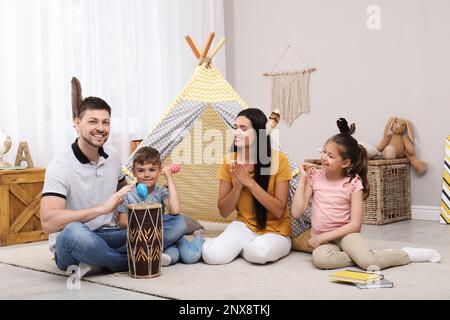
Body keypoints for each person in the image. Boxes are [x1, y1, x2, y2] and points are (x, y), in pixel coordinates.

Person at [291, 118, 441, 270]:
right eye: (324, 151)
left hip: (346, 235)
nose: (323, 157)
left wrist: (322, 237)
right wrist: (303, 179)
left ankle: (406, 255)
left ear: (345, 163)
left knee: (369, 263)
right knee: (321, 259)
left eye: (330, 155)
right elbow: (297, 212)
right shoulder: (314, 177)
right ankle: (364, 256)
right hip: (324, 238)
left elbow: (355, 225)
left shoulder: (353, 183)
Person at [40, 96, 134, 277]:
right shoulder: (60, 165)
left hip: (110, 234)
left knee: (171, 223)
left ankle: (98, 262)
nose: (100, 128)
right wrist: (100, 209)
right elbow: (48, 222)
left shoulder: (112, 155)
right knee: (74, 232)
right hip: (75, 241)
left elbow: (125, 189)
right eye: (93, 121)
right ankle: (130, 261)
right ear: (77, 123)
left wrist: (148, 188)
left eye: (105, 122)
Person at [202, 108, 292, 265]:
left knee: (259, 253)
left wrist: (249, 183)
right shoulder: (229, 161)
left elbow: (278, 210)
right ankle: (234, 244)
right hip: (244, 225)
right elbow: (224, 211)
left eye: (243, 128)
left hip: (276, 232)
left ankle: (242, 247)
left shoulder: (280, 160)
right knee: (212, 256)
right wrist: (237, 186)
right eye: (235, 127)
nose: (236, 132)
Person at [116, 147, 204, 265]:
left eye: (152, 170)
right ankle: (160, 252)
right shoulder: (127, 193)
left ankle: (199, 238)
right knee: (172, 255)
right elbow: (122, 222)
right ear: (133, 172)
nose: (147, 175)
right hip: (143, 237)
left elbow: (175, 210)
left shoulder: (161, 191)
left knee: (190, 257)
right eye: (141, 170)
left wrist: (169, 178)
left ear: (159, 171)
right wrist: (145, 226)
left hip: (163, 233)